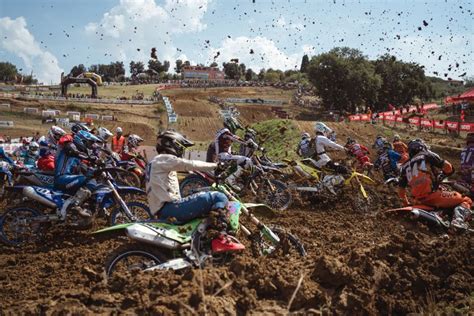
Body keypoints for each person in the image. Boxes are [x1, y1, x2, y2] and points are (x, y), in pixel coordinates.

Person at [146, 131, 245, 253]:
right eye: (180, 147)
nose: (180, 151)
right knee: (218, 196)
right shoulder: (163, 159)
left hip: (164, 210)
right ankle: (221, 239)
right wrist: (215, 166)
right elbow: (189, 164)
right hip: (170, 209)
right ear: (172, 145)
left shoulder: (155, 162)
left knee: (203, 194)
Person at [398, 139, 472, 231]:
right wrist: (442, 175)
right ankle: (458, 220)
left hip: (417, 201)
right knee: (466, 200)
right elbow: (449, 168)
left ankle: (440, 213)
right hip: (434, 196)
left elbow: (401, 192)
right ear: (421, 146)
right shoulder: (426, 154)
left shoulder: (404, 167)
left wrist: (406, 203)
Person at [54, 130, 101, 219]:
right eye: (88, 143)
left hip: (67, 178)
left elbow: (82, 167)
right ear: (81, 140)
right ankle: (74, 205)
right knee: (87, 180)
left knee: (91, 179)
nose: (89, 146)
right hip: (62, 177)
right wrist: (90, 158)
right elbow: (74, 151)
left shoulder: (77, 156)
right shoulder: (70, 146)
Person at [211, 117, 256, 191]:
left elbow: (232, 138)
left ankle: (232, 179)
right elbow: (234, 137)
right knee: (246, 160)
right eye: (235, 128)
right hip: (223, 156)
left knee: (239, 161)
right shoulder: (225, 131)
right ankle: (231, 179)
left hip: (223, 156)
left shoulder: (223, 132)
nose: (235, 130)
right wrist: (246, 143)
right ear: (232, 124)